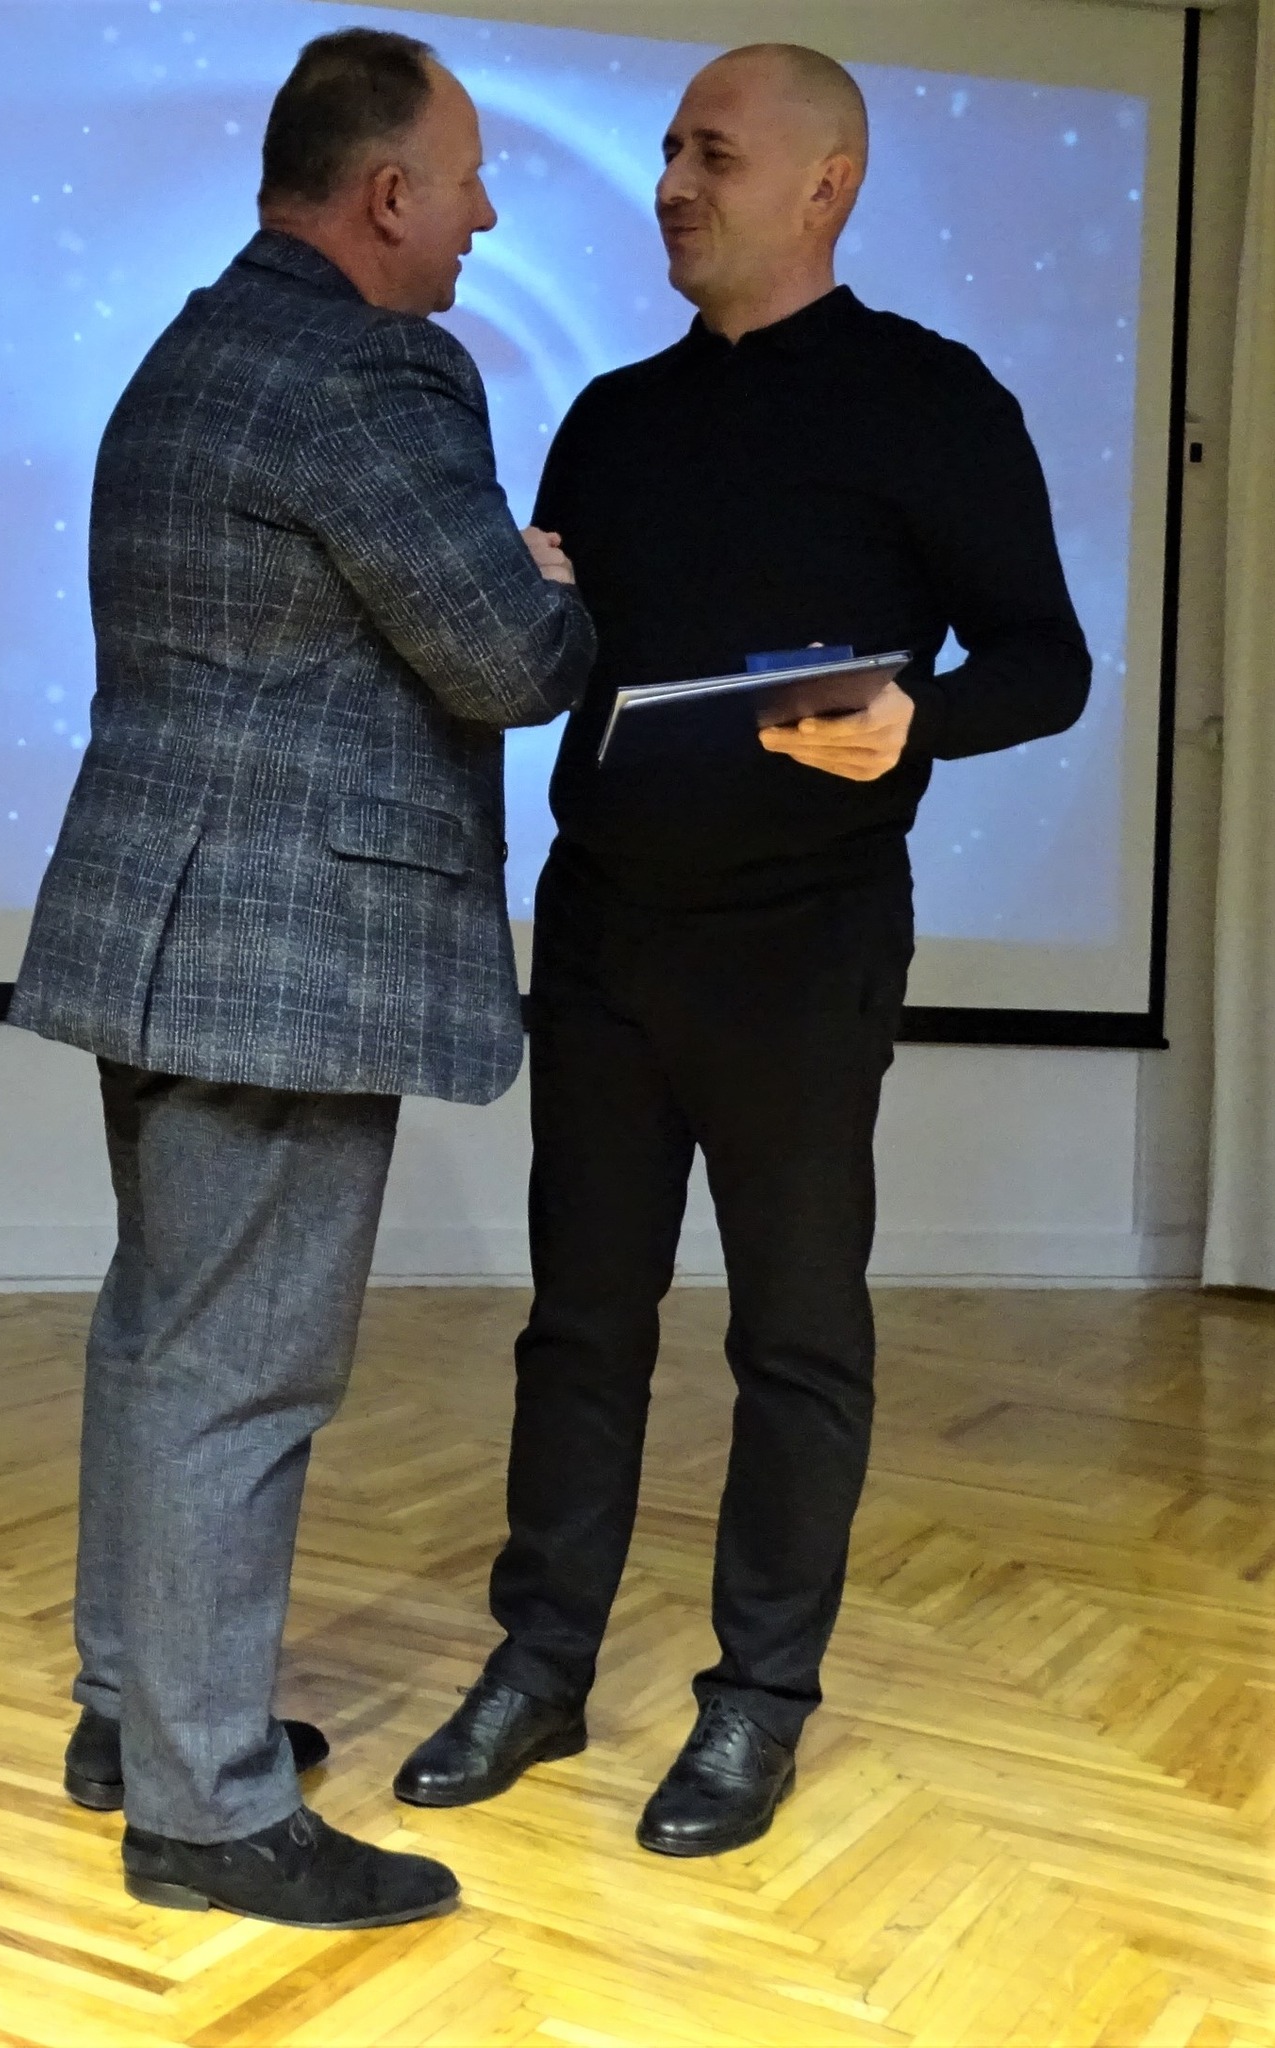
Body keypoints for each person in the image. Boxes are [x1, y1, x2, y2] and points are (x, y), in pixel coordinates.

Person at [394, 42, 1090, 1857]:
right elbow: (556, 668)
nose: (671, 184)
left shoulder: (933, 401)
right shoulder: (613, 417)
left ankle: (759, 1700)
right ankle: (541, 1666)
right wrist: (526, 604)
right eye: (667, 151)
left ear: (825, 185)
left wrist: (921, 721)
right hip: (609, 930)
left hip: (805, 942)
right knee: (581, 1326)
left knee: (793, 1335)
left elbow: (1049, 660)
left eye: (712, 153)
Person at [10, 28, 593, 1929]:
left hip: (159, 924)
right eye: (469, 178)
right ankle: (206, 1808)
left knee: (165, 1338)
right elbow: (503, 659)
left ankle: (139, 1719)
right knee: (241, 1374)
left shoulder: (199, 344)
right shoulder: (373, 369)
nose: (486, 215)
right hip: (281, 952)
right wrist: (548, 583)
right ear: (389, 191)